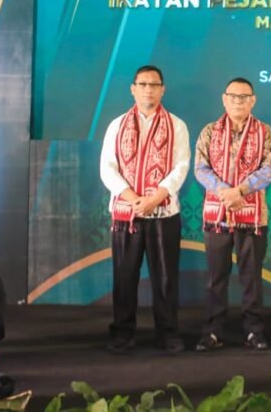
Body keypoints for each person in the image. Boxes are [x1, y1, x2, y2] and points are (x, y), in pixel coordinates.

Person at [100, 64, 190, 354]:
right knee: (124, 276)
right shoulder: (117, 125)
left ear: (163, 89)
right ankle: (122, 333)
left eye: (154, 85)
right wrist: (132, 197)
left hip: (163, 213)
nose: (148, 89)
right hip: (126, 214)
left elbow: (180, 167)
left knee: (165, 278)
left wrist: (154, 198)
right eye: (143, 84)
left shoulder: (176, 125)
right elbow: (107, 168)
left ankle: (168, 333)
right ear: (133, 89)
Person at [193, 77, 271, 352]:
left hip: (252, 216)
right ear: (224, 99)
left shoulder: (265, 132)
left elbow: (269, 169)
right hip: (217, 215)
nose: (238, 101)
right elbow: (201, 168)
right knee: (216, 277)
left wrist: (239, 191)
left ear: (253, 101)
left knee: (251, 277)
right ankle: (212, 331)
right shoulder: (209, 131)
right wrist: (225, 192)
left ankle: (254, 331)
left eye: (244, 97)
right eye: (233, 97)